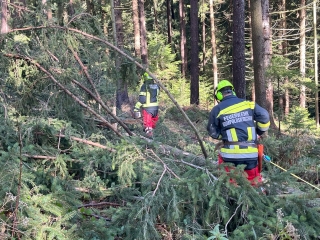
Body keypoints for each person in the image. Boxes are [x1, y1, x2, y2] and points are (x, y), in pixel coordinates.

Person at [207, 80, 270, 186]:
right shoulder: (249, 104)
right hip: (250, 154)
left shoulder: (217, 109)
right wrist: (258, 132)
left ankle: (231, 199)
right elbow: (265, 116)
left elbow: (212, 131)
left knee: (230, 183)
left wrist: (225, 136)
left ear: (218, 95)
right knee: (253, 183)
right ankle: (256, 198)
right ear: (233, 91)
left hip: (229, 155)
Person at [134, 72, 160, 138]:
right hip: (156, 109)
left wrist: (136, 108)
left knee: (148, 127)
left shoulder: (145, 86)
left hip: (148, 109)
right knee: (153, 125)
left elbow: (142, 99)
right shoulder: (157, 86)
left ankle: (149, 142)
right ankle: (156, 139)